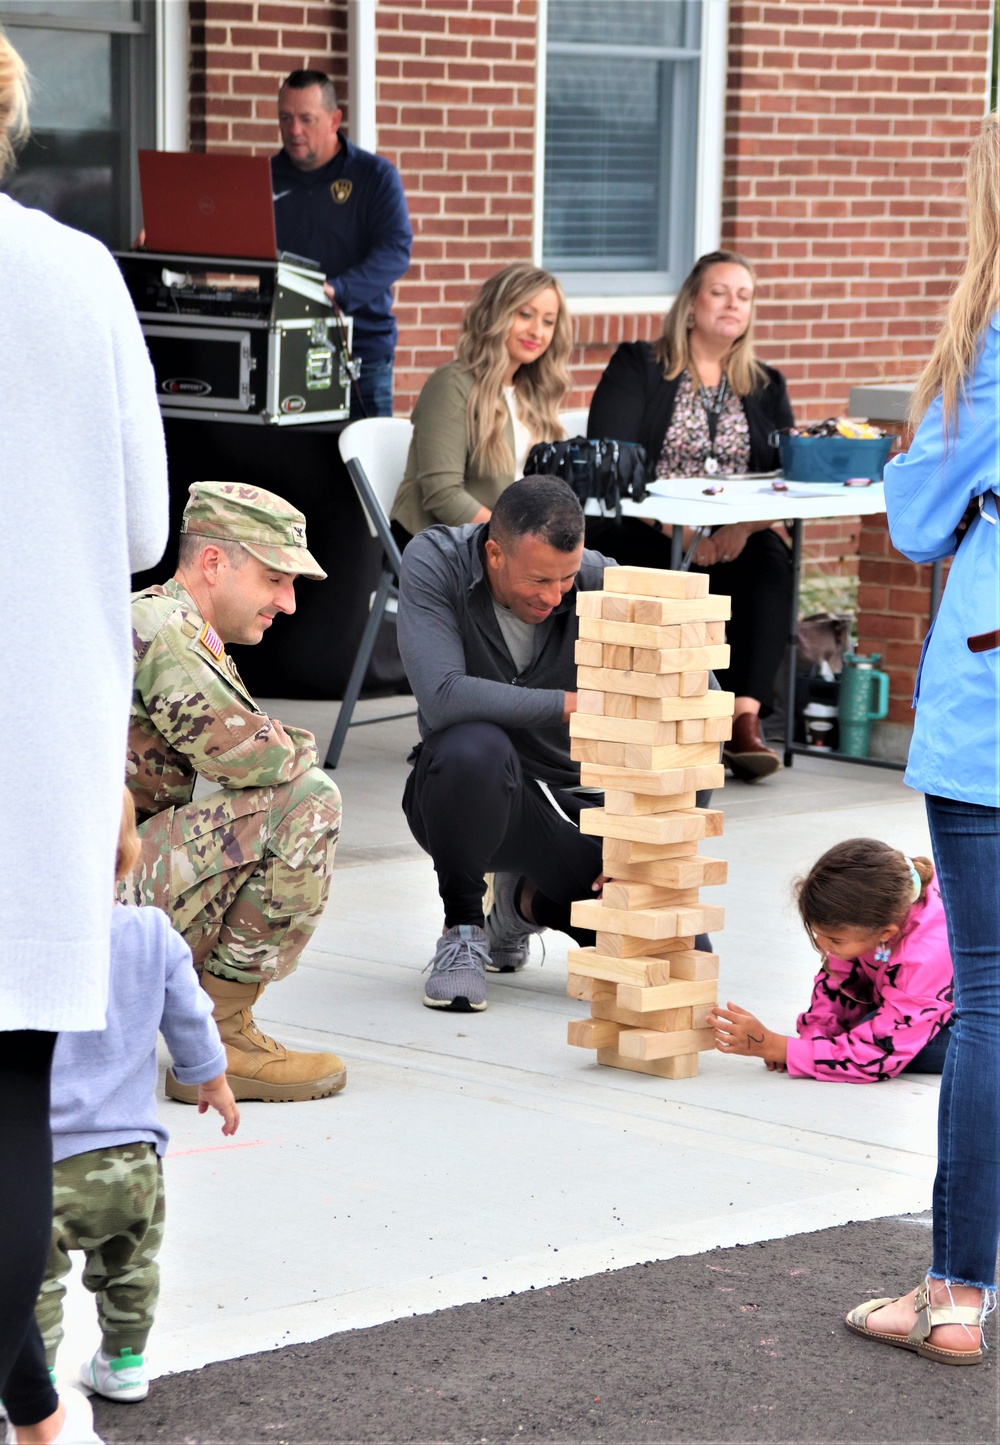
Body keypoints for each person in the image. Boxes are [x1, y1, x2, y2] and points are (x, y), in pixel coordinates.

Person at [0, 29, 169, 1445]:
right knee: (8, 1087)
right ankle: (34, 1406)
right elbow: (144, 528)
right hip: (29, 727)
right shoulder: (74, 275)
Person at [843, 114, 999, 1367]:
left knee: (993, 1006)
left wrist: (915, 456)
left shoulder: (990, 343)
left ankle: (955, 1292)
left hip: (993, 708)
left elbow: (916, 518)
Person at [123, 481, 346, 1105]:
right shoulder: (169, 631)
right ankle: (224, 1039)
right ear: (215, 562)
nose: (290, 602)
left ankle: (206, 1021)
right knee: (307, 801)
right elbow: (251, 756)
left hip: (92, 884)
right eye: (276, 578)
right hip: (94, 898)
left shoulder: (163, 619)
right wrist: (290, 743)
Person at [37, 792, 239, 1406]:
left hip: (41, 1159)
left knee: (32, 1280)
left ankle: (33, 1378)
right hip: (131, 1161)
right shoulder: (154, 936)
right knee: (130, 1269)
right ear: (128, 860)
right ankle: (123, 1364)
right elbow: (191, 1018)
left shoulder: (23, 950)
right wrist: (212, 1078)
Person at [396, 477, 612, 1011]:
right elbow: (443, 696)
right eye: (539, 579)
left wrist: (645, 849)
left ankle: (520, 905)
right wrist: (569, 703)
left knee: (643, 948)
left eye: (566, 578)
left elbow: (696, 714)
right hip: (464, 794)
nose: (554, 595)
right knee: (472, 747)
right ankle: (464, 929)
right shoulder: (436, 561)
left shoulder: (600, 581)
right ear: (494, 553)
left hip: (566, 806)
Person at [587, 250, 795, 782]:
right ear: (690, 305)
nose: (733, 304)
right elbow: (613, 457)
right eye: (720, 291)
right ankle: (669, 719)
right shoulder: (639, 365)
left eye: (744, 296)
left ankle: (744, 720)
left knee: (772, 557)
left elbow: (782, 476)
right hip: (647, 528)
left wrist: (742, 529)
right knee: (646, 555)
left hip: (734, 533)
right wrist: (681, 532)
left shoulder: (766, 383)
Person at [708, 839, 953, 1081]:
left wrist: (778, 1047)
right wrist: (812, 1040)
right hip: (920, 996)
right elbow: (837, 985)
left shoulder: (923, 956)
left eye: (835, 941)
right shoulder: (880, 901)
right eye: (818, 935)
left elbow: (876, 1055)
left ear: (886, 933)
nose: (824, 947)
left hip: (982, 1020)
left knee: (888, 1040)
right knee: (859, 1027)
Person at [390, 262, 572, 545]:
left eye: (548, 321)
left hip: (506, 545)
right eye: (525, 315)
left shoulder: (534, 391)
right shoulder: (452, 384)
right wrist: (516, 541)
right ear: (496, 314)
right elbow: (442, 493)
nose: (538, 331)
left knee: (600, 568)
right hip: (443, 544)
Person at [272, 69, 412, 419]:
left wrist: (338, 289)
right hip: (284, 349)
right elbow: (230, 236)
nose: (294, 131)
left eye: (307, 119)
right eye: (286, 118)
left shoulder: (375, 177)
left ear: (335, 120)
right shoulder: (263, 178)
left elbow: (396, 250)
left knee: (365, 469)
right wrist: (170, 240)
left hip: (362, 352)